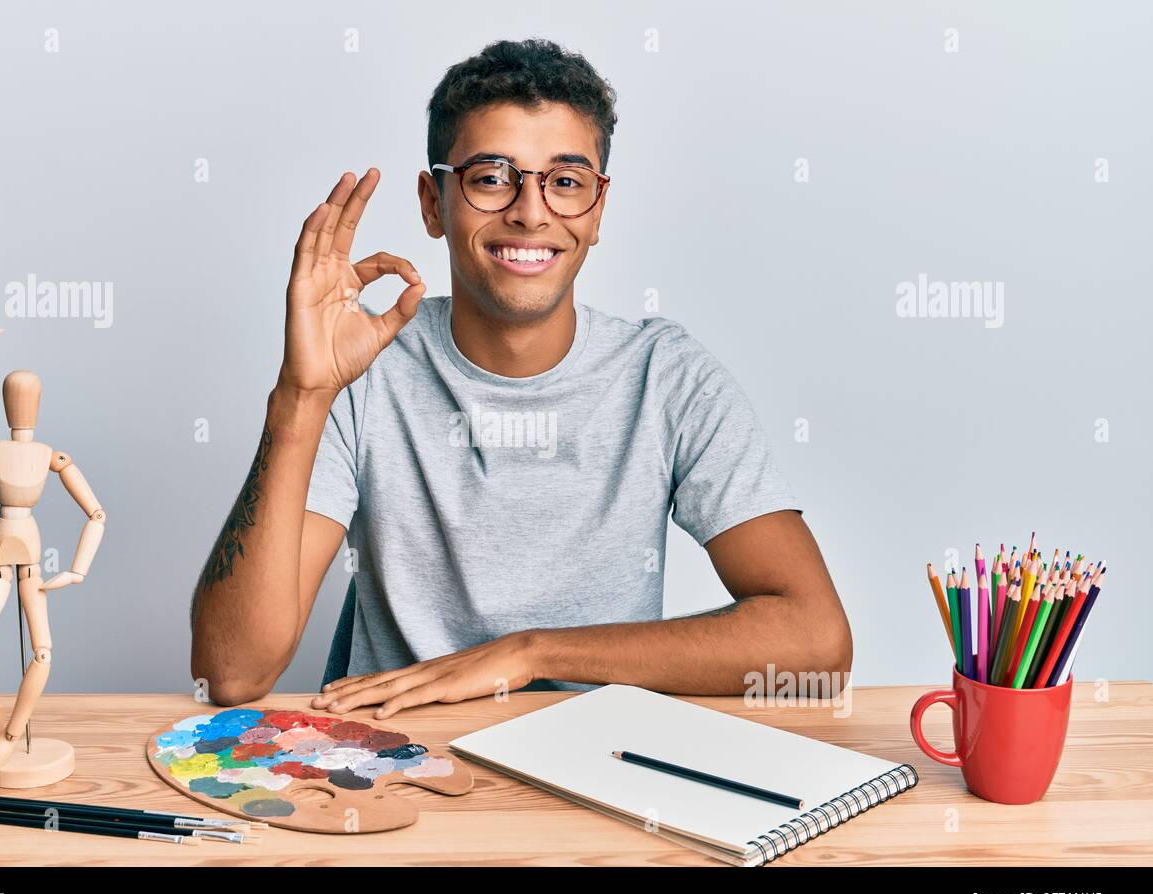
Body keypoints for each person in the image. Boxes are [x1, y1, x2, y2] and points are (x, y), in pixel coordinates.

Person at [190, 38, 850, 717]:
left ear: (597, 209)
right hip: (399, 771)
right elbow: (232, 675)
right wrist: (301, 397)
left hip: (599, 774)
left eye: (565, 182)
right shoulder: (364, 367)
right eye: (491, 177)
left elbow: (815, 643)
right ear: (432, 202)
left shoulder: (667, 379)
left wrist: (533, 652)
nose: (531, 212)